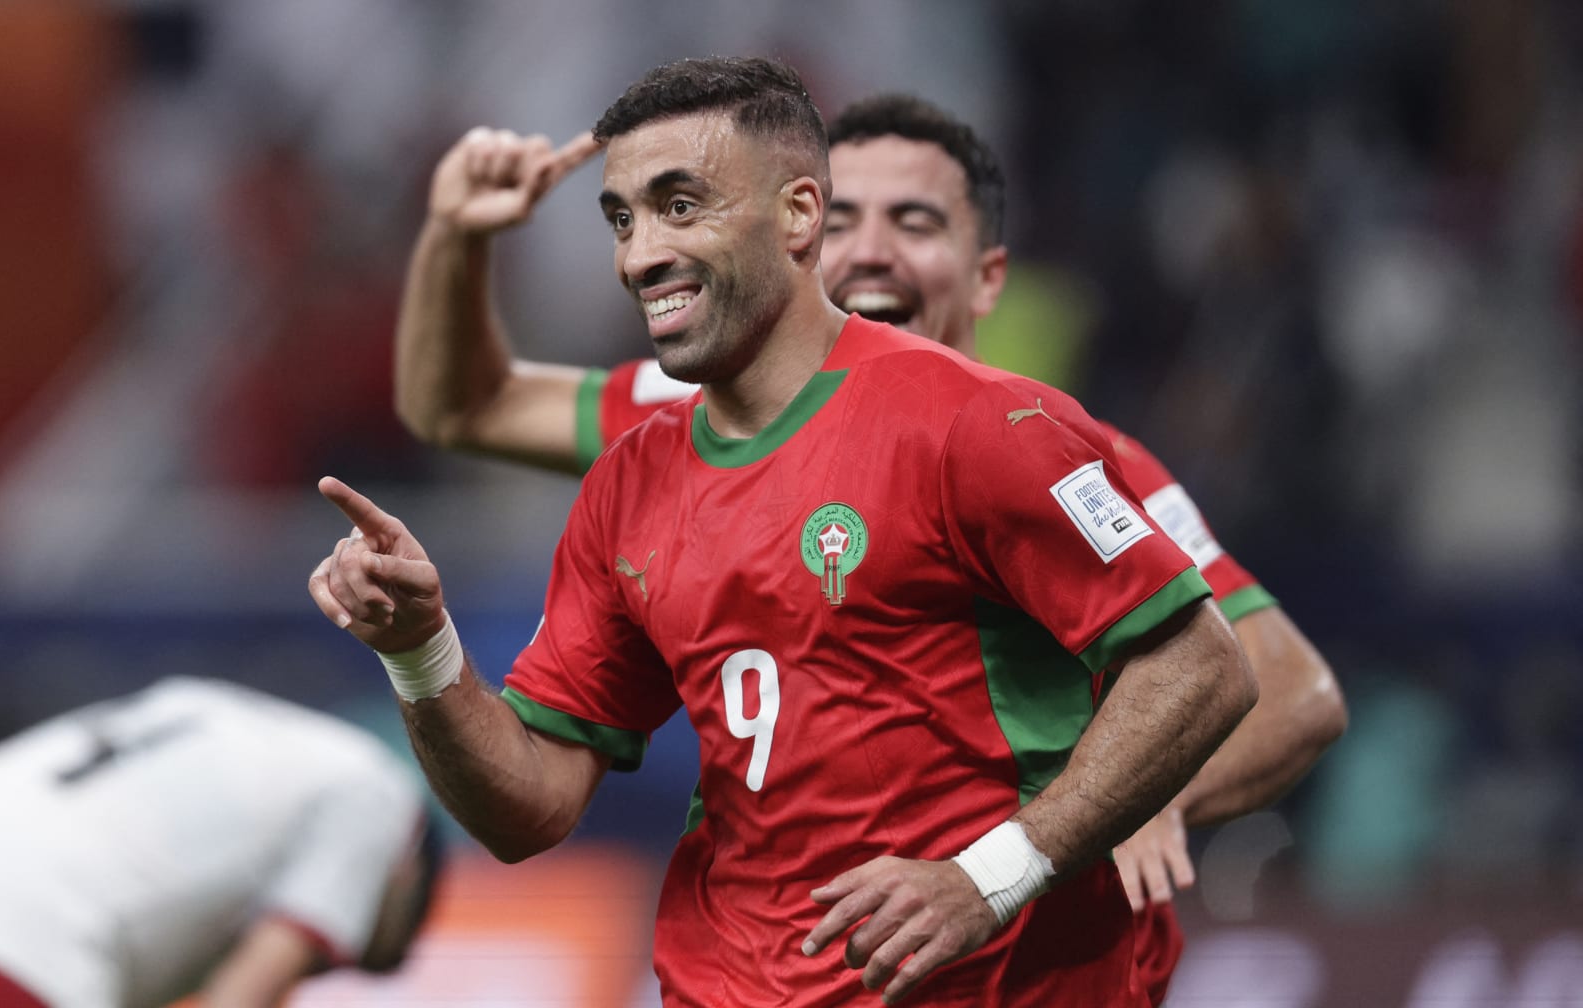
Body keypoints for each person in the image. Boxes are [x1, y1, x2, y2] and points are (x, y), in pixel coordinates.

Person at [314, 56, 1256, 1006]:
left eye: (681, 206)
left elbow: (1203, 665)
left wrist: (991, 876)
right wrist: (421, 651)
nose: (639, 257)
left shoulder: (978, 425)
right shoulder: (627, 482)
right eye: (623, 219)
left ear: (800, 215)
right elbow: (531, 807)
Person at [0, 676, 445, 1008]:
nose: (329, 962)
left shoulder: (205, 713)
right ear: (403, 874)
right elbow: (247, 990)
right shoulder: (374, 792)